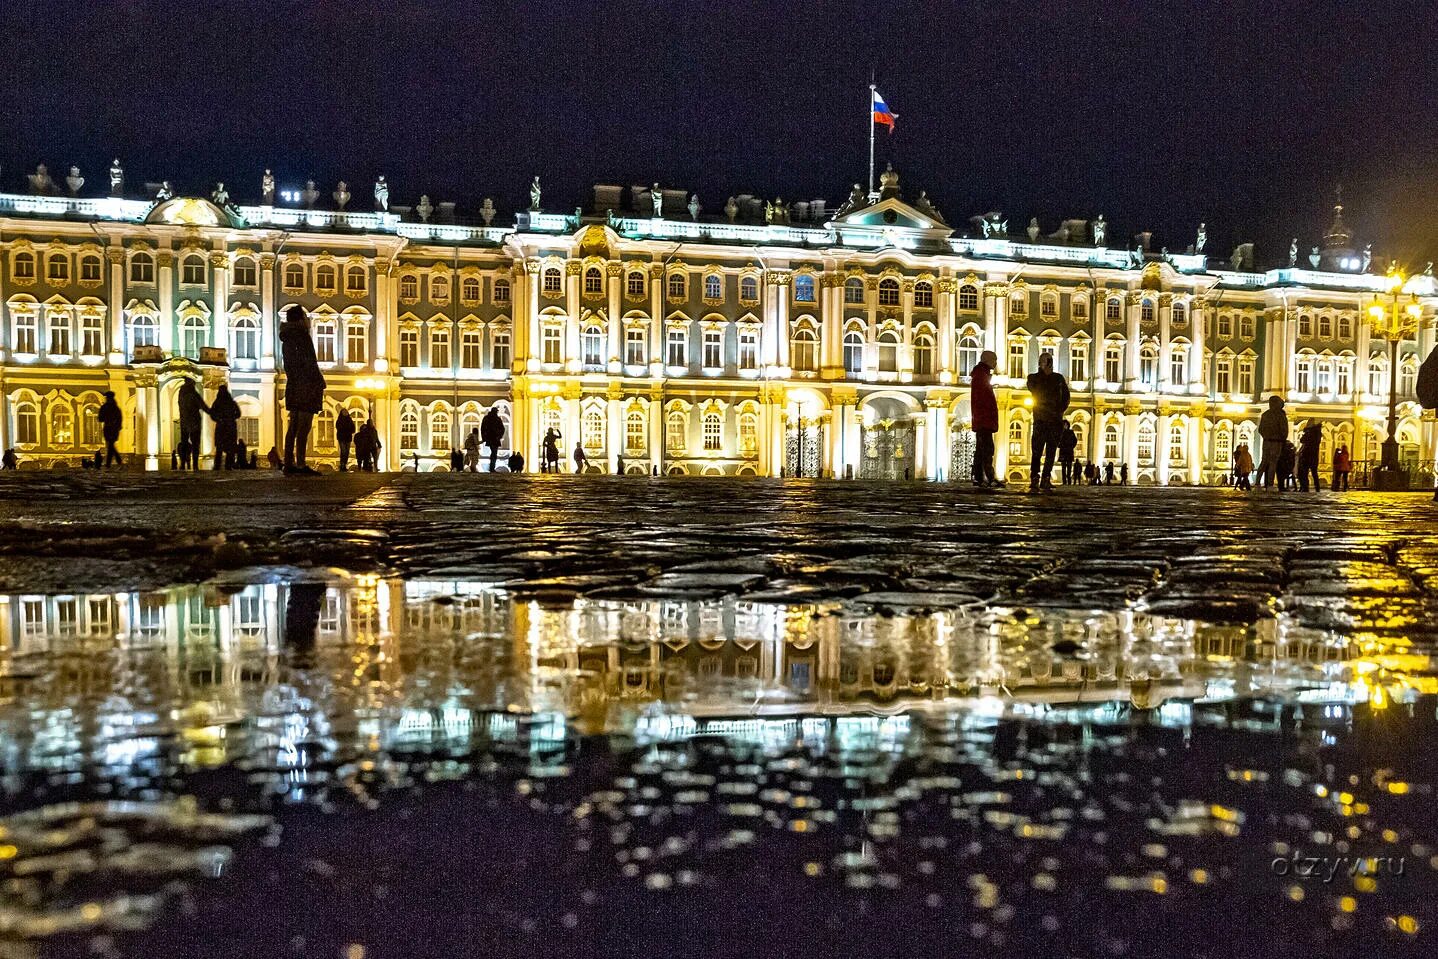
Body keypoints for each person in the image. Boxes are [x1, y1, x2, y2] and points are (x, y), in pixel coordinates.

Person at [279, 305, 326, 475]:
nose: (307, 320)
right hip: (306, 385)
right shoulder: (301, 337)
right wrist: (318, 380)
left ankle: (289, 463)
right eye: (305, 317)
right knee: (304, 426)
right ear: (299, 320)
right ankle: (299, 464)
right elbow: (309, 362)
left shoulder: (287, 338)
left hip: (294, 384)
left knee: (293, 425)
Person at [1025, 352, 1070, 492]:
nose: (1043, 364)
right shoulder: (1034, 378)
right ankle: (1035, 477)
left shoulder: (1058, 378)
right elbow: (1034, 389)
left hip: (1054, 420)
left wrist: (1060, 410)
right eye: (1042, 361)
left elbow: (1066, 397)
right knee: (1036, 451)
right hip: (1040, 420)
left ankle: (1046, 478)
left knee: (1051, 451)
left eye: (1046, 361)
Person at [970, 350, 999, 487]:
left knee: (982, 449)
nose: (996, 362)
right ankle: (988, 477)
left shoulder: (982, 375)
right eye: (994, 359)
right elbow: (983, 400)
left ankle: (980, 477)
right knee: (986, 449)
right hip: (984, 420)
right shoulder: (982, 376)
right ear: (987, 360)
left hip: (983, 419)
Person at [1256, 395, 1289, 489]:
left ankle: (1257, 483)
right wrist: (1282, 439)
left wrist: (1266, 436)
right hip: (1277, 442)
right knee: (1273, 463)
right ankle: (1270, 484)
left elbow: (1260, 429)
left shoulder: (1265, 414)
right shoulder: (1280, 415)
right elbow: (1284, 429)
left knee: (1263, 462)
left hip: (1266, 442)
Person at [177, 379, 209, 469]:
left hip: (184, 421)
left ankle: (183, 464)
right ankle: (195, 464)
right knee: (195, 443)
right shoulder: (192, 393)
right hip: (194, 421)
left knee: (184, 443)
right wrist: (211, 412)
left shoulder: (181, 393)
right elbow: (202, 405)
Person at [207, 384, 241, 470]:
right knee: (228, 449)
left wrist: (219, 419)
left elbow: (212, 414)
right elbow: (238, 414)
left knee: (219, 449)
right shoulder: (231, 403)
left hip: (222, 427)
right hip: (230, 427)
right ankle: (228, 465)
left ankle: (217, 466)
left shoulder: (217, 403)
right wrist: (231, 418)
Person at [98, 390, 123, 468]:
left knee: (110, 444)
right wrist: (118, 426)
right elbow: (119, 418)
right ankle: (117, 460)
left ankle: (109, 463)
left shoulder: (105, 407)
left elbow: (100, 418)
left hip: (109, 427)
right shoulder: (116, 408)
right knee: (110, 444)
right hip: (114, 428)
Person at [1296, 423, 1323, 492]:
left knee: (1305, 472)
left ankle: (1305, 487)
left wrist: (1306, 433)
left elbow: (1302, 440)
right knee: (1314, 473)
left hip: (1307, 455)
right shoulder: (1317, 435)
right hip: (1314, 456)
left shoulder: (1309, 434)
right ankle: (1317, 488)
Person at [480, 407, 505, 473]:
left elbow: (482, 428)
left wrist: (484, 437)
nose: (497, 412)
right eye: (496, 411)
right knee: (494, 452)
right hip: (494, 438)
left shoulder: (487, 418)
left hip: (491, 438)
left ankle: (491, 467)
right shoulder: (496, 419)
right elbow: (502, 429)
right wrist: (499, 436)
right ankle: (492, 467)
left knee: (494, 452)